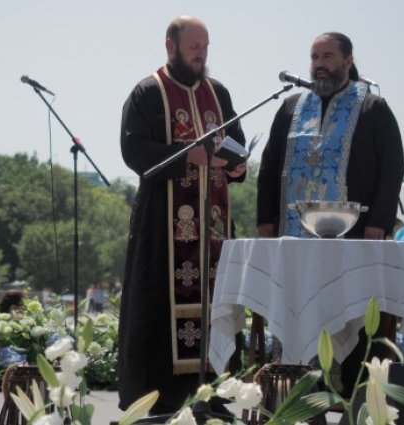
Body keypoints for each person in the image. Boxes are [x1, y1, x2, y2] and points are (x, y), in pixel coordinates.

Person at [256, 32, 404, 397]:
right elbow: (269, 166)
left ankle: (353, 405)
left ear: (348, 60)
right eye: (314, 56)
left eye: (327, 56)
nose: (319, 64)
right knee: (296, 321)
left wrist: (377, 228)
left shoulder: (372, 107)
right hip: (295, 247)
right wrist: (265, 226)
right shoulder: (291, 107)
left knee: (351, 324)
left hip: (353, 248)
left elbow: (393, 168)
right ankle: (293, 403)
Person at [118, 15, 247, 415]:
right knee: (156, 309)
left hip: (213, 227)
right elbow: (133, 151)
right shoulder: (147, 93)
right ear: (170, 45)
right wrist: (187, 156)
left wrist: (239, 166)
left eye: (205, 48)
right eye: (194, 47)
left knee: (218, 307)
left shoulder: (218, 92)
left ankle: (217, 394)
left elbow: (236, 143)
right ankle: (158, 399)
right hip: (163, 227)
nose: (200, 54)